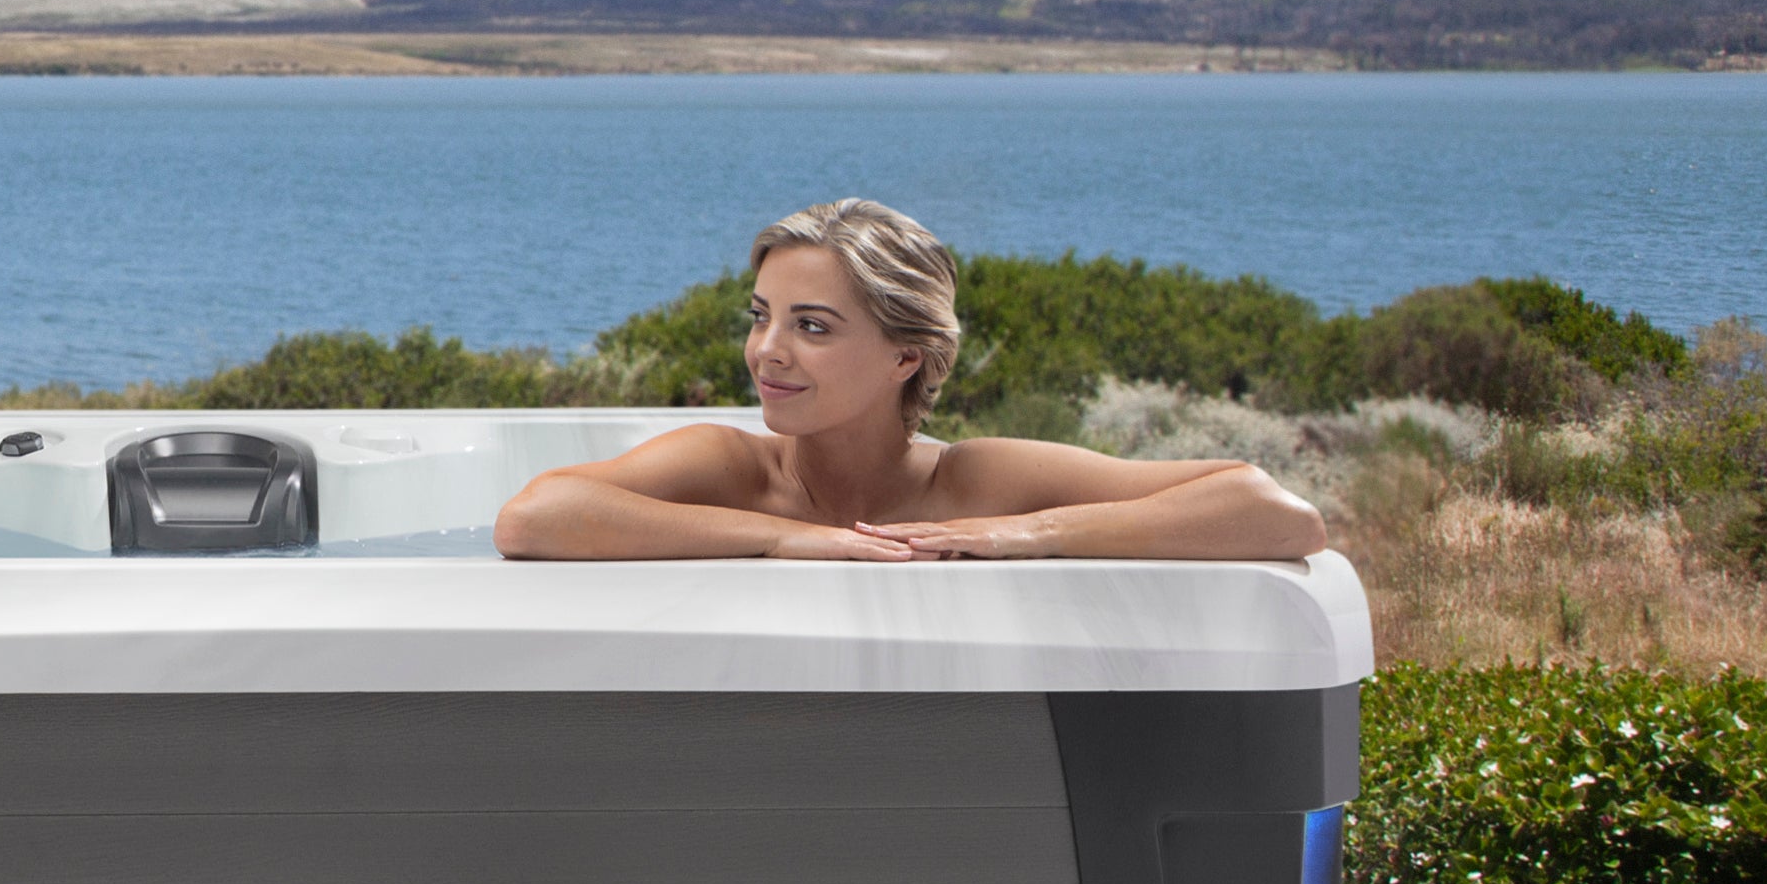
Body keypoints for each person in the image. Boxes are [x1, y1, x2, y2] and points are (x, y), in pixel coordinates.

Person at [496, 197, 1323, 564]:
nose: (767, 351)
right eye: (760, 316)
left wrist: (1031, 534)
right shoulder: (731, 470)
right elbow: (535, 517)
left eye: (811, 326)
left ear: (907, 355)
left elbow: (1274, 513)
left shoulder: (980, 481)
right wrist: (781, 539)